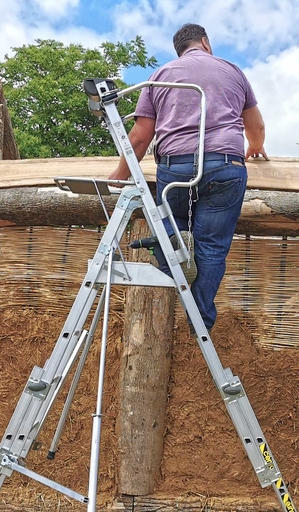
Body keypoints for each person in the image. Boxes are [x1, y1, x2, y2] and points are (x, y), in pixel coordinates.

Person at [107, 23, 267, 330]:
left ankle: (170, 260)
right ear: (205, 42)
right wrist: (256, 147)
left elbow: (141, 135)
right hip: (226, 166)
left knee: (172, 234)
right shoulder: (233, 71)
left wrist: (120, 173)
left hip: (176, 166)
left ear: (179, 49)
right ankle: (200, 320)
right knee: (212, 246)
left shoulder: (162, 75)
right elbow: (255, 127)